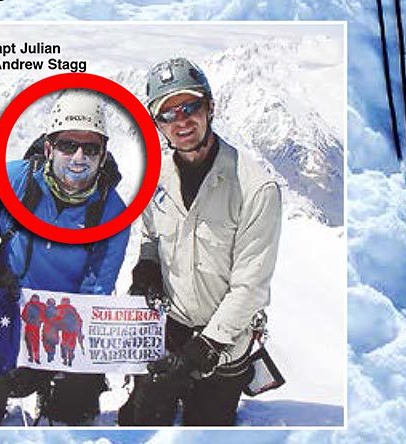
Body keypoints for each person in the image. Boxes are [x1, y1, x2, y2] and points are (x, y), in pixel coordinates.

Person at [0, 90, 130, 425]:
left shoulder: (111, 211)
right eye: (67, 145)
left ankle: (59, 390)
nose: (79, 157)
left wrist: (58, 345)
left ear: (103, 155)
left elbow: (98, 284)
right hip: (5, 309)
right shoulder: (15, 179)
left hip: (66, 324)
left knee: (70, 421)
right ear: (49, 147)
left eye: (91, 148)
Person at [118, 57, 282, 426]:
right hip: (170, 330)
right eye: (167, 114)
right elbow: (151, 233)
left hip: (223, 345)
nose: (181, 121)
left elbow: (250, 286)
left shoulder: (255, 187)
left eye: (190, 106)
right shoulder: (155, 179)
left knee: (204, 432)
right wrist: (147, 269)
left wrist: (202, 350)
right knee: (137, 424)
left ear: (210, 107)